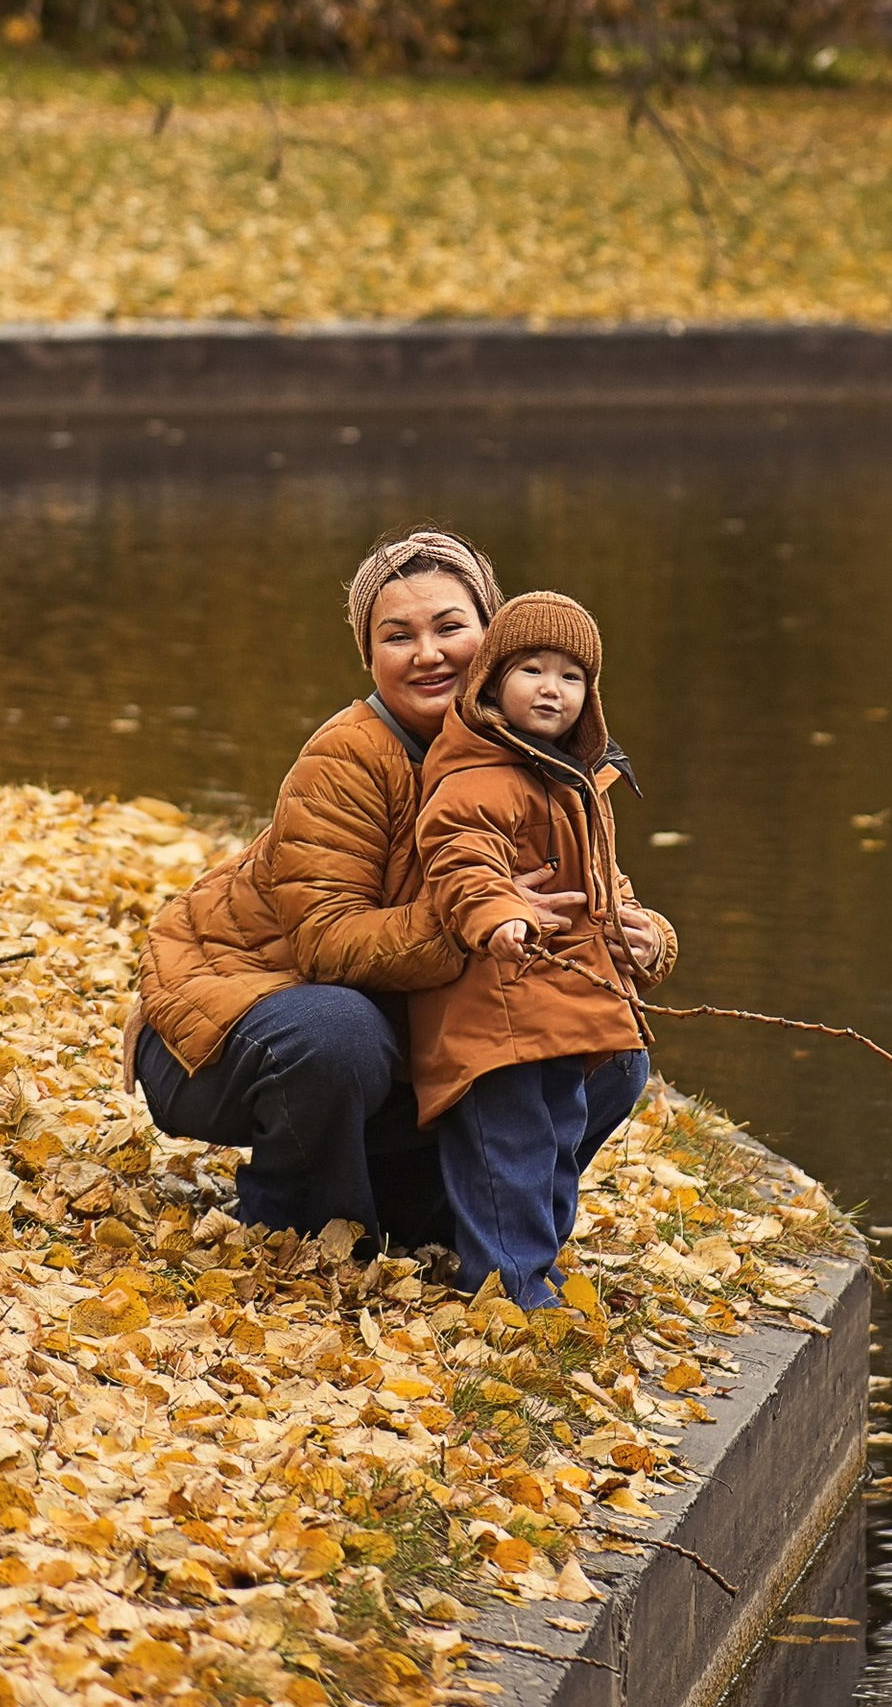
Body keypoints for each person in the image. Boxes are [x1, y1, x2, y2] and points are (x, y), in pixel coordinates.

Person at [126, 528, 592, 1250]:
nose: (428, 653)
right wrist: (468, 921)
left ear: (494, 639)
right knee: (341, 1034)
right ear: (370, 656)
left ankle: (455, 1215)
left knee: (603, 1043)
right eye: (398, 636)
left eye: (449, 627)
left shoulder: (535, 757)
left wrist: (646, 941)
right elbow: (326, 944)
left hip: (383, 1027)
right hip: (227, 1022)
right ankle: (293, 1220)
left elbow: (585, 905)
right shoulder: (347, 756)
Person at [408, 588, 677, 1308]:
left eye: (571, 676)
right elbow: (461, 860)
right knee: (511, 1150)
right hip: (496, 1015)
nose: (551, 689)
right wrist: (499, 914)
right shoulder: (475, 775)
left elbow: (604, 881)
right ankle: (507, 1289)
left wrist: (643, 932)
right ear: (492, 681)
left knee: (558, 1143)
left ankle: (539, 1267)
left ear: (591, 696)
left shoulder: (576, 781)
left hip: (560, 1008)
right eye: (532, 670)